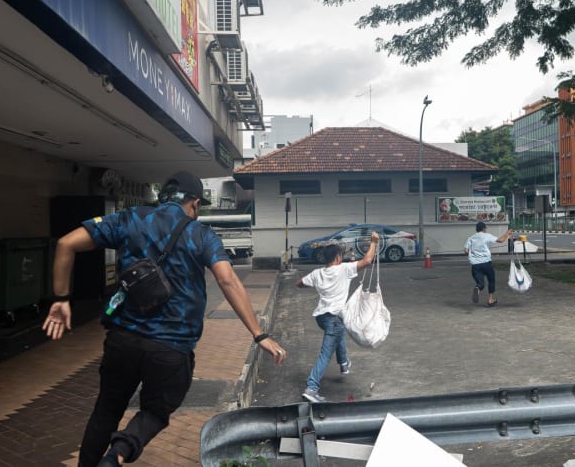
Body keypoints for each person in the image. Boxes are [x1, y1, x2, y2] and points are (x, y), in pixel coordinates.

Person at [42, 171, 286, 467]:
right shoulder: (201, 235)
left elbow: (67, 243)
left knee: (105, 411)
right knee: (155, 413)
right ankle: (118, 453)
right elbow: (227, 280)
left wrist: (61, 299)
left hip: (123, 340)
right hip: (171, 348)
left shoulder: (129, 219)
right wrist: (259, 334)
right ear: (194, 203)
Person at [295, 231, 380, 403]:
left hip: (321, 317)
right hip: (333, 319)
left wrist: (317, 285)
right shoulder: (344, 269)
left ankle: (343, 363)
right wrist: (373, 242)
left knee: (340, 328)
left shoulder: (317, 273)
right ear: (338, 257)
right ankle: (311, 388)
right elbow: (367, 260)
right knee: (325, 353)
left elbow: (299, 283)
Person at [464, 221, 513, 307]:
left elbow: (465, 250)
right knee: (491, 280)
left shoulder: (471, 238)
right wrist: (507, 233)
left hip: (475, 265)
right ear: (483, 229)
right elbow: (501, 240)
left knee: (480, 283)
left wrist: (473, 256)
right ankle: (490, 300)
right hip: (486, 263)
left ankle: (477, 288)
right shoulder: (486, 236)